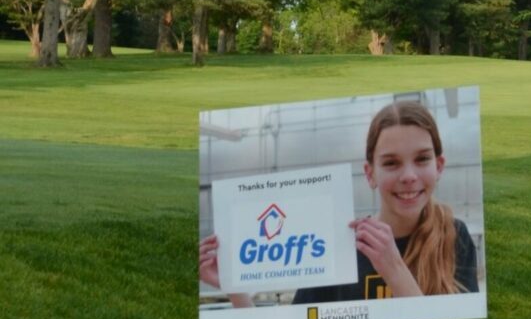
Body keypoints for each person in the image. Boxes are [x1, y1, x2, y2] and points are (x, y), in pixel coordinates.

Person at [199, 100, 479, 304]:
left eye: (422, 159)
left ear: (439, 166)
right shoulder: (337, 245)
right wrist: (234, 286)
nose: (409, 176)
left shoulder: (455, 237)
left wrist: (393, 268)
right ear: (370, 174)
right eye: (391, 163)